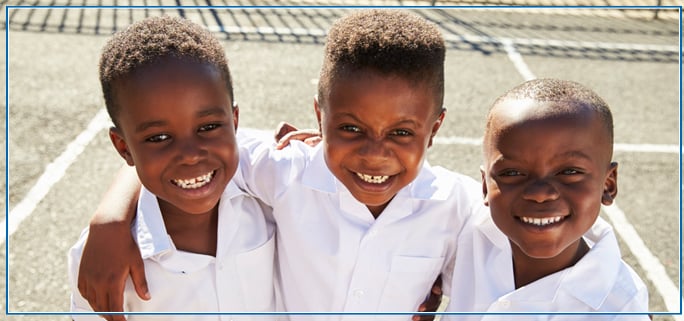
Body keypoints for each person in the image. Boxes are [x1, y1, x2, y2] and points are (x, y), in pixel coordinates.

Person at [76, 9, 480, 321]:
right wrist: (110, 219)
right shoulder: (286, 171)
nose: (375, 153)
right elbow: (185, 155)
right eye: (351, 129)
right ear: (320, 119)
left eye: (402, 133)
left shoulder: (458, 204)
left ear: (435, 127)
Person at [67, 16, 276, 320]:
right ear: (123, 147)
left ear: (235, 122)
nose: (190, 155)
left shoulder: (271, 192)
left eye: (208, 126)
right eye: (159, 137)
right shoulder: (99, 260)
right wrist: (110, 221)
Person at [445, 78, 650, 320]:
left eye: (570, 172)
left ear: (608, 185)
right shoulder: (463, 232)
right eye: (512, 173)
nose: (540, 193)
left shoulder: (621, 309)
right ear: (485, 186)